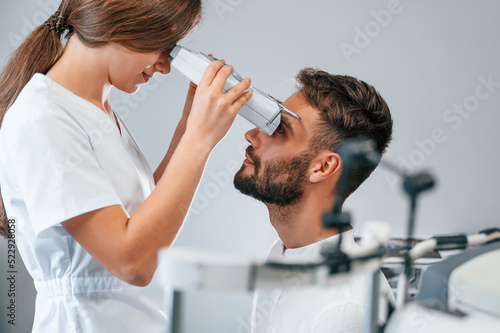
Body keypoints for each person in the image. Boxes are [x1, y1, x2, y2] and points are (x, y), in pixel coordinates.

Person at [0, 0, 253, 332]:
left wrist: (187, 130)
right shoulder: (45, 116)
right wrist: (199, 140)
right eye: (162, 44)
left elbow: (142, 220)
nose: (165, 66)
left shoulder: (95, 108)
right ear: (119, 21)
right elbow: (131, 262)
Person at [233, 68, 394, 333]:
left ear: (322, 167)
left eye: (280, 129)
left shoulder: (343, 310)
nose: (252, 135)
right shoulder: (283, 251)